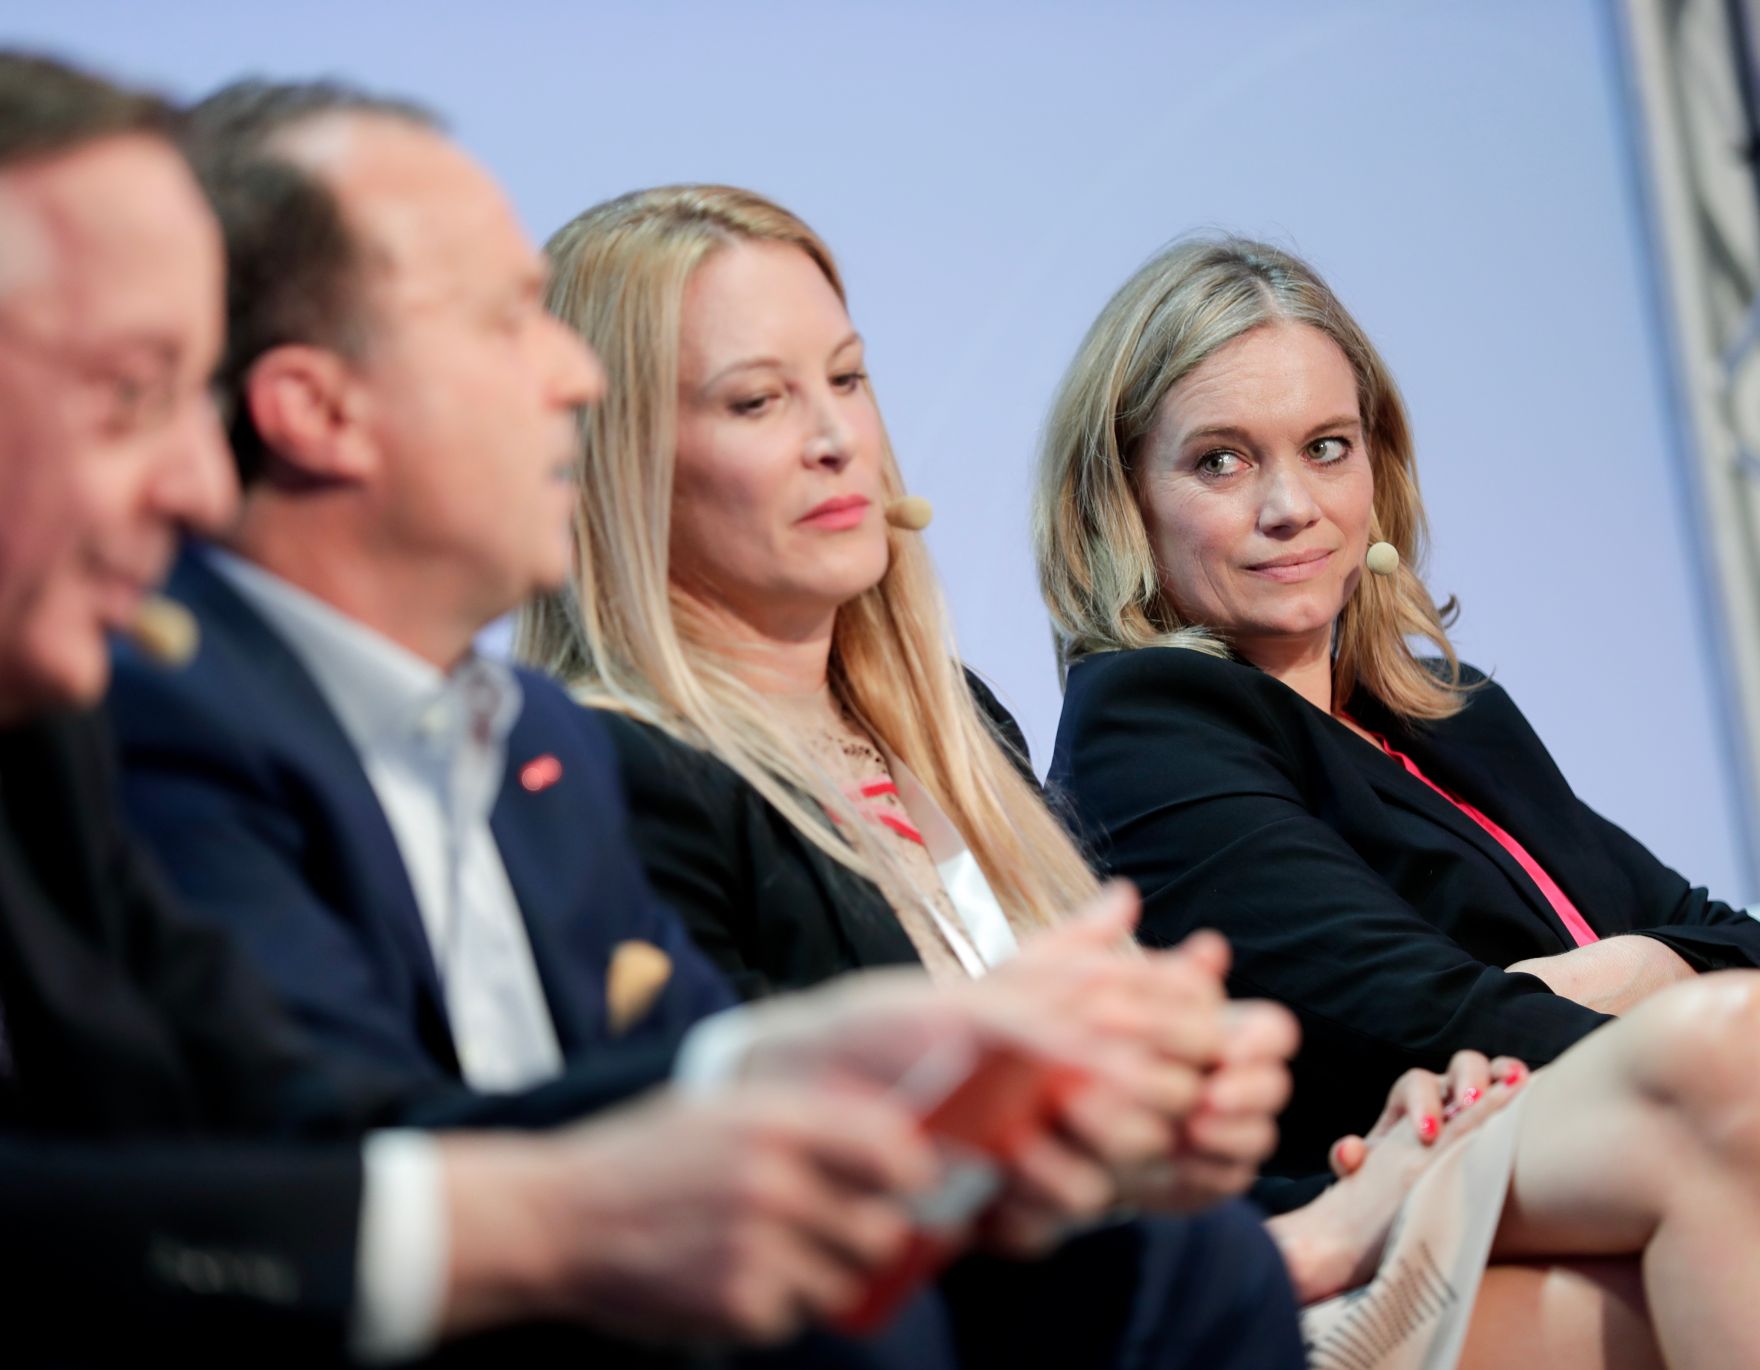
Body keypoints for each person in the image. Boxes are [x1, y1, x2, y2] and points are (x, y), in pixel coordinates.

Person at [0, 54, 1260, 1368]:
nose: (575, 381)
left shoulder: (533, 741)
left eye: (847, 379)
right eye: (131, 390)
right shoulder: (149, 709)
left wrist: (900, 1067)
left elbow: (664, 1088)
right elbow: (313, 1142)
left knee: (1174, 1259)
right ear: (315, 409)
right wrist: (594, 1200)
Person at [523, 187, 1760, 1368]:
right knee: (1708, 1090)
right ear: (620, 454)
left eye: (848, 377)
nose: (838, 434)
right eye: (756, 401)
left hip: (1194, 1265)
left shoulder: (955, 725)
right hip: (1057, 1327)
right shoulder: (621, 779)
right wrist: (1312, 1224)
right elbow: (771, 1216)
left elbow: (1145, 1162)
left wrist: (1328, 1192)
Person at [1036, 233, 1760, 1186]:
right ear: (1122, 499)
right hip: (1386, 1239)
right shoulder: (1148, 728)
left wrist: (1629, 970)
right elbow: (1429, 1028)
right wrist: (1673, 997)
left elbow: (1729, 934)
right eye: (1222, 462)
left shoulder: (1450, 709)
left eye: (1326, 448)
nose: (1291, 504)